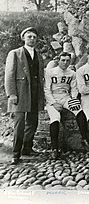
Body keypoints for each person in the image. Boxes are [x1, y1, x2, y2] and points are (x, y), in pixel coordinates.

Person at [5, 27, 45, 165]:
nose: (32, 39)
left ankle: (27, 149)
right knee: (19, 124)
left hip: (34, 93)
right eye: (29, 37)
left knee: (33, 122)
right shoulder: (15, 54)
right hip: (20, 93)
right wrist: (12, 94)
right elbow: (9, 75)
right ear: (23, 38)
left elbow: (41, 76)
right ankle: (16, 153)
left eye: (34, 37)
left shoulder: (39, 55)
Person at [44, 52, 89, 159]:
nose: (65, 63)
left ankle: (85, 139)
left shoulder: (72, 73)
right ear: (58, 61)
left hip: (65, 97)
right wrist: (53, 103)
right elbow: (46, 89)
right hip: (53, 97)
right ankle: (54, 148)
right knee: (55, 118)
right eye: (63, 60)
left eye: (67, 61)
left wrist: (73, 98)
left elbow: (74, 88)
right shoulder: (51, 72)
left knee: (79, 111)